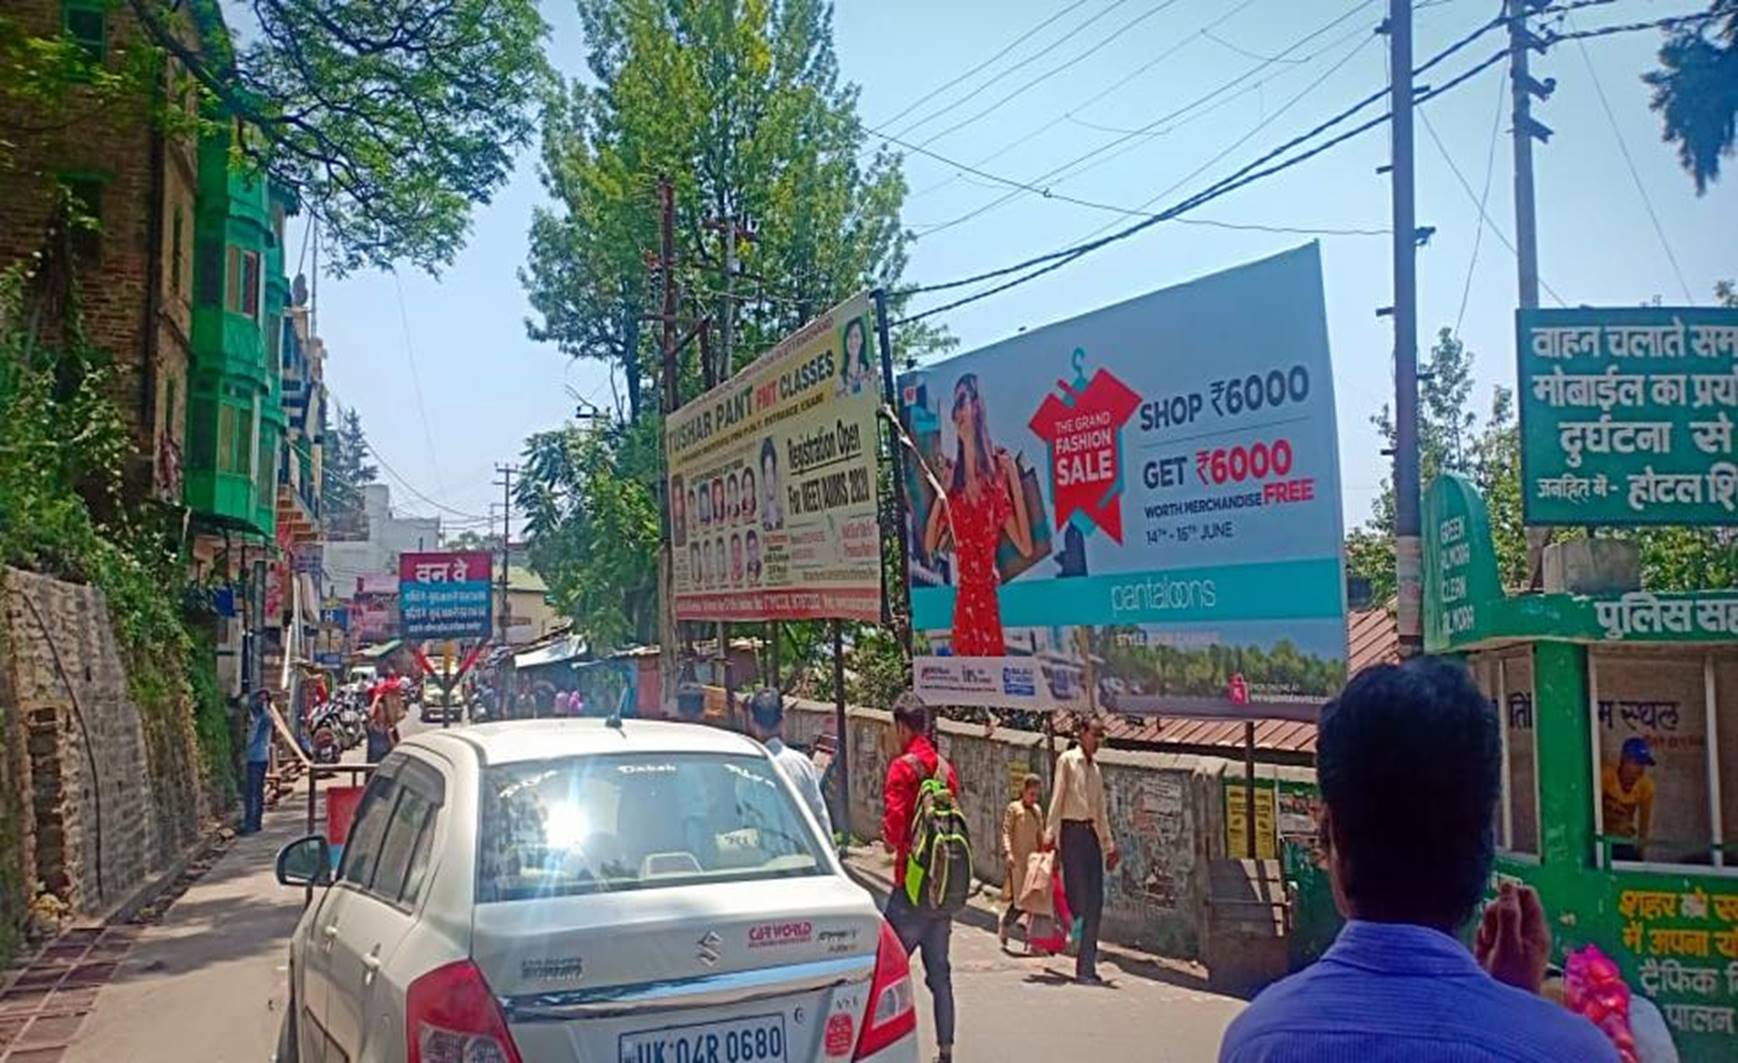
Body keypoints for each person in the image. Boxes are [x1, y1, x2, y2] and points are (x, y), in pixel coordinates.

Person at [1220, 658, 1620, 1062]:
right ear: (1484, 834)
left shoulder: (1258, 1041)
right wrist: (1515, 1006)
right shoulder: (1574, 1052)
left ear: (1333, 833)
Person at [922, 373, 1033, 656]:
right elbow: (930, 544)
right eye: (954, 406)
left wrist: (1014, 479)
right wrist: (942, 493)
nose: (956, 413)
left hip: (987, 603)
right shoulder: (956, 486)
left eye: (962, 402)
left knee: (992, 675)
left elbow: (1025, 546)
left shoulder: (994, 481)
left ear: (977, 406)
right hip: (964, 603)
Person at [881, 692, 959, 1062]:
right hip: (941, 889)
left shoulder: (901, 769)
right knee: (940, 975)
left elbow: (894, 832)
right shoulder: (945, 769)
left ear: (901, 726)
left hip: (909, 890)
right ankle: (946, 1051)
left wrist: (888, 838)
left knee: (884, 969)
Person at [1044, 717, 1118, 984]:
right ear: (1082, 734)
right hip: (1071, 833)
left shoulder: (1096, 770)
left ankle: (1086, 965)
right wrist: (1050, 836)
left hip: (1090, 836)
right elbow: (1057, 798)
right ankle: (1069, 935)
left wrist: (1109, 846)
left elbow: (1100, 811)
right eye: (1094, 735)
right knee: (1079, 900)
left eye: (1100, 737)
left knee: (1095, 901)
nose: (1097, 741)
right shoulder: (1067, 761)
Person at [747, 688, 833, 840]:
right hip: (800, 850)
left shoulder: (746, 769)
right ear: (783, 720)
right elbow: (819, 817)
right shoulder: (801, 764)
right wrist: (829, 851)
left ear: (753, 722)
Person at [1000, 773, 1044, 949]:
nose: (1034, 798)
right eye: (1031, 794)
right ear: (1023, 791)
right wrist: (1008, 852)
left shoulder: (1037, 811)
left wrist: (1045, 855)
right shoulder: (1014, 809)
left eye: (1036, 795)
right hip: (1018, 863)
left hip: (1033, 863)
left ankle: (1034, 942)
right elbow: (1006, 832)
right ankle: (1006, 924)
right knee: (1021, 901)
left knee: (1034, 901)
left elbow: (1040, 835)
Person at [1602, 736, 1656, 860]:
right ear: (1624, 760)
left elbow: (1644, 825)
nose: (1640, 769)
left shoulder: (1646, 786)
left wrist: (1641, 853)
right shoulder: (1606, 776)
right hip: (1602, 838)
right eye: (1636, 763)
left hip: (1623, 840)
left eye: (1643, 764)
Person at [242, 690, 273, 834]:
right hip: (260, 757)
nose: (260, 702)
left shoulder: (263, 718)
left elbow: (250, 739)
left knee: (253, 792)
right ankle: (255, 822)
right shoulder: (264, 716)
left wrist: (250, 726)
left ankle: (252, 824)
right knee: (256, 791)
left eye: (263, 700)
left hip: (256, 758)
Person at [839, 316, 873, 396]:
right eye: (849, 336)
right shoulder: (840, 379)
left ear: (862, 340)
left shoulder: (870, 370)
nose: (853, 341)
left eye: (856, 336)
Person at [760, 437, 784, 531]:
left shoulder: (782, 513)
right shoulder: (762, 517)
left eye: (771, 471)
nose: (769, 479)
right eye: (766, 472)